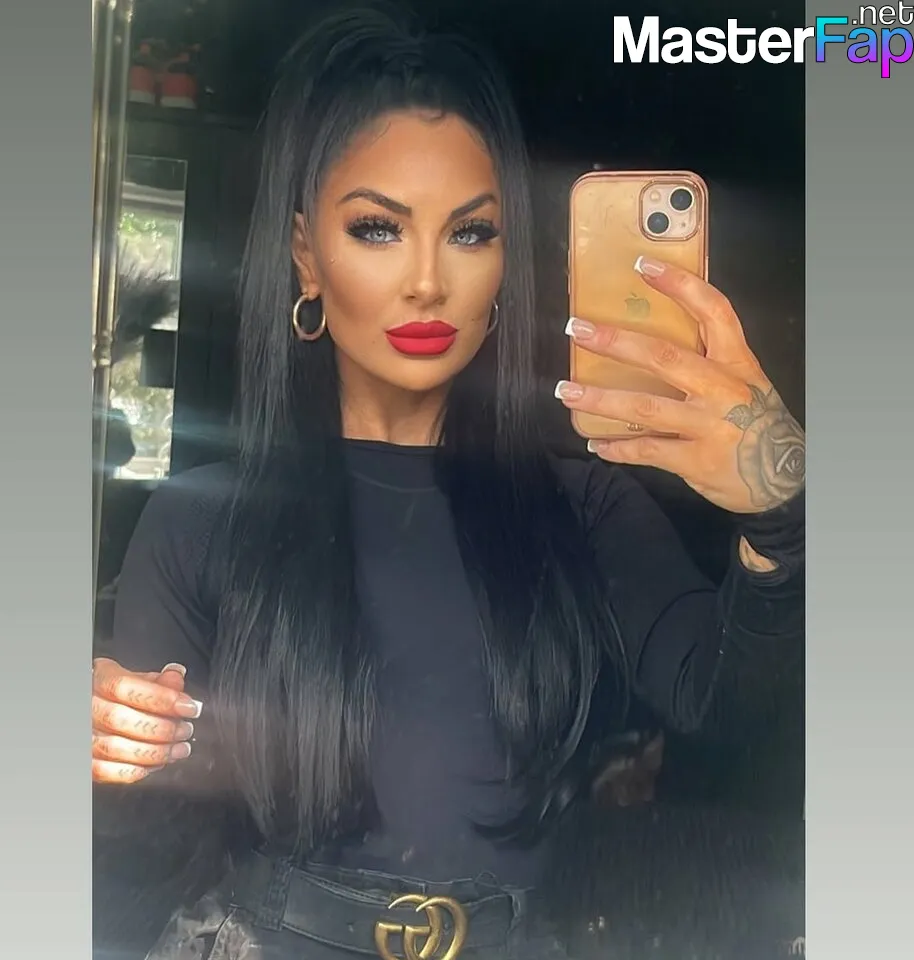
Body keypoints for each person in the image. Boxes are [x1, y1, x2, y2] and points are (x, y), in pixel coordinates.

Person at [91, 6, 805, 959]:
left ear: (506, 262)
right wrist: (98, 754)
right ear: (306, 254)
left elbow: (735, 710)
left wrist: (781, 511)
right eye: (378, 228)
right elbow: (141, 856)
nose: (428, 281)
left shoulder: (586, 508)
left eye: (470, 234)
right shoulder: (201, 522)